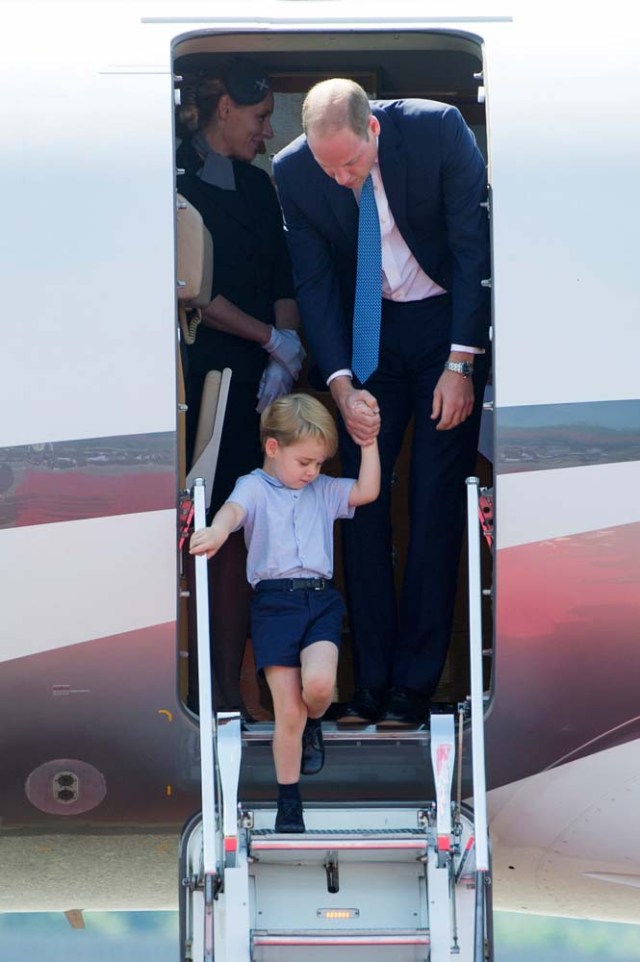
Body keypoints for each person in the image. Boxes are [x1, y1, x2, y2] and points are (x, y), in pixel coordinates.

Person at [273, 79, 491, 726]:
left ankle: (414, 690)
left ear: (374, 132)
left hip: (444, 327)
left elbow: (473, 248)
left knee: (431, 499)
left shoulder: (438, 129)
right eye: (327, 167)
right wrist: (339, 385)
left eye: (351, 165)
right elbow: (312, 282)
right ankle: (368, 684)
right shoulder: (293, 171)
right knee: (360, 500)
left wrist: (461, 363)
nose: (340, 179)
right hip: (370, 334)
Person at [176, 59, 306, 713]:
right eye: (259, 119)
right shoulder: (173, 177)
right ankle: (212, 690)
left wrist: (288, 355)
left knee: (260, 532)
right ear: (224, 107)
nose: (266, 132)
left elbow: (283, 277)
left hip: (265, 382)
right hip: (211, 378)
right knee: (213, 529)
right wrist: (268, 341)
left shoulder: (259, 188)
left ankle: (239, 689)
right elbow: (194, 289)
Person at [190, 394, 380, 832]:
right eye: (305, 462)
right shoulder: (254, 485)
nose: (313, 471)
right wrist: (218, 529)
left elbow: (366, 491)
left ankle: (316, 720)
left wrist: (368, 443)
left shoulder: (323, 490)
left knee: (318, 688)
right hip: (274, 605)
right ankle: (289, 803)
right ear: (273, 448)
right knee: (287, 712)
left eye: (319, 463)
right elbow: (234, 511)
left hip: (319, 600)